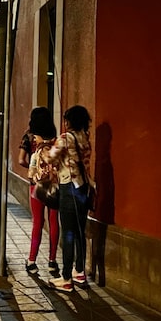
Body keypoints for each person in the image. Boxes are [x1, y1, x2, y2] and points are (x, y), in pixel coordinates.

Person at [50, 105, 95, 293]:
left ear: (69, 121)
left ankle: (66, 278)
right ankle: (79, 272)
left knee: (68, 233)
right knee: (79, 231)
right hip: (83, 188)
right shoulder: (86, 139)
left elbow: (51, 158)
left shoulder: (65, 138)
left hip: (69, 187)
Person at [19, 106, 60, 276]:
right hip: (53, 183)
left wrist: (33, 169)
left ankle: (32, 261)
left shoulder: (29, 136)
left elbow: (21, 160)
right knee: (54, 220)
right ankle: (52, 261)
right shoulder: (55, 137)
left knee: (37, 221)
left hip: (36, 185)